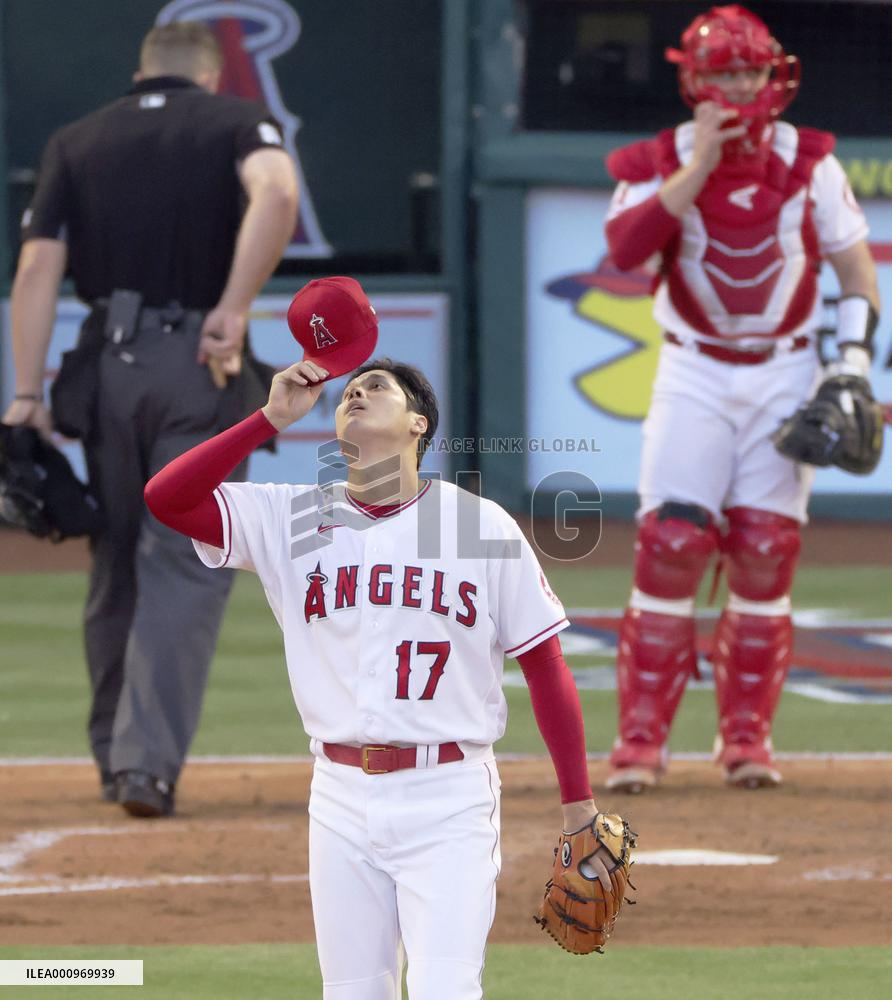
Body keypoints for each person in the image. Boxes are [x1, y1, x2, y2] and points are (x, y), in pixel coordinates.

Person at [143, 296, 618, 997]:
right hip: (338, 797)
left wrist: (578, 804)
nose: (355, 393)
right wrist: (269, 419)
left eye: (378, 387)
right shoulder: (291, 517)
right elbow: (167, 497)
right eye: (349, 392)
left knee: (445, 990)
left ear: (418, 423)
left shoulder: (479, 525)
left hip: (450, 796)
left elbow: (545, 666)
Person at [2, 21, 299, 816]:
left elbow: (35, 267)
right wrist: (233, 307)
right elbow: (277, 192)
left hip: (107, 364)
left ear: (141, 71)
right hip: (199, 363)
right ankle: (146, 768)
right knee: (184, 558)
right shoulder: (237, 121)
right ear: (211, 73)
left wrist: (26, 392)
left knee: (116, 558)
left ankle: (113, 758)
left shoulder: (77, 139)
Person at [602, 4, 879, 792]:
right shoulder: (659, 160)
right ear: (694, 81)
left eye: (752, 70)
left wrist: (852, 364)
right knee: (672, 544)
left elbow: (857, 271)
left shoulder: (811, 162)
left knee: (764, 550)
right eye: (725, 72)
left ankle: (747, 741)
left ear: (773, 73)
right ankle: (640, 743)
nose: (742, 86)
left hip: (783, 370)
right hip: (693, 368)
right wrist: (698, 164)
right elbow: (625, 251)